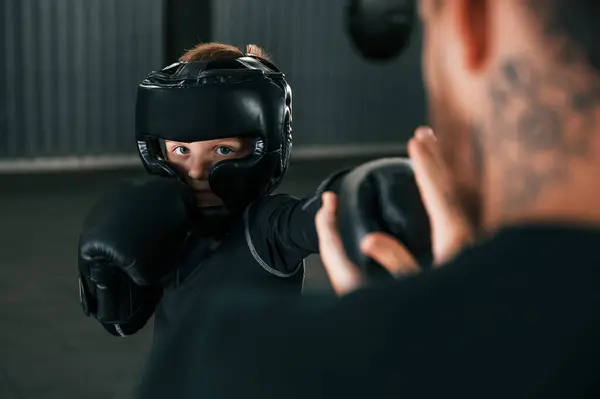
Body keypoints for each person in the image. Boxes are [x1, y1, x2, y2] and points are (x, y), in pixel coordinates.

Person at [136, 1, 600, 398]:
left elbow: (305, 219)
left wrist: (411, 334)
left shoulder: (226, 366)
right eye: (180, 150)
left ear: (470, 21)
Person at [77, 43, 350, 338]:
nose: (196, 171)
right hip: (176, 384)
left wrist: (364, 193)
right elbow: (121, 322)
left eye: (222, 149)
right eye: (182, 149)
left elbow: (317, 215)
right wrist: (107, 280)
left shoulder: (266, 226)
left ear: (266, 143)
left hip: (259, 385)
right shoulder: (165, 222)